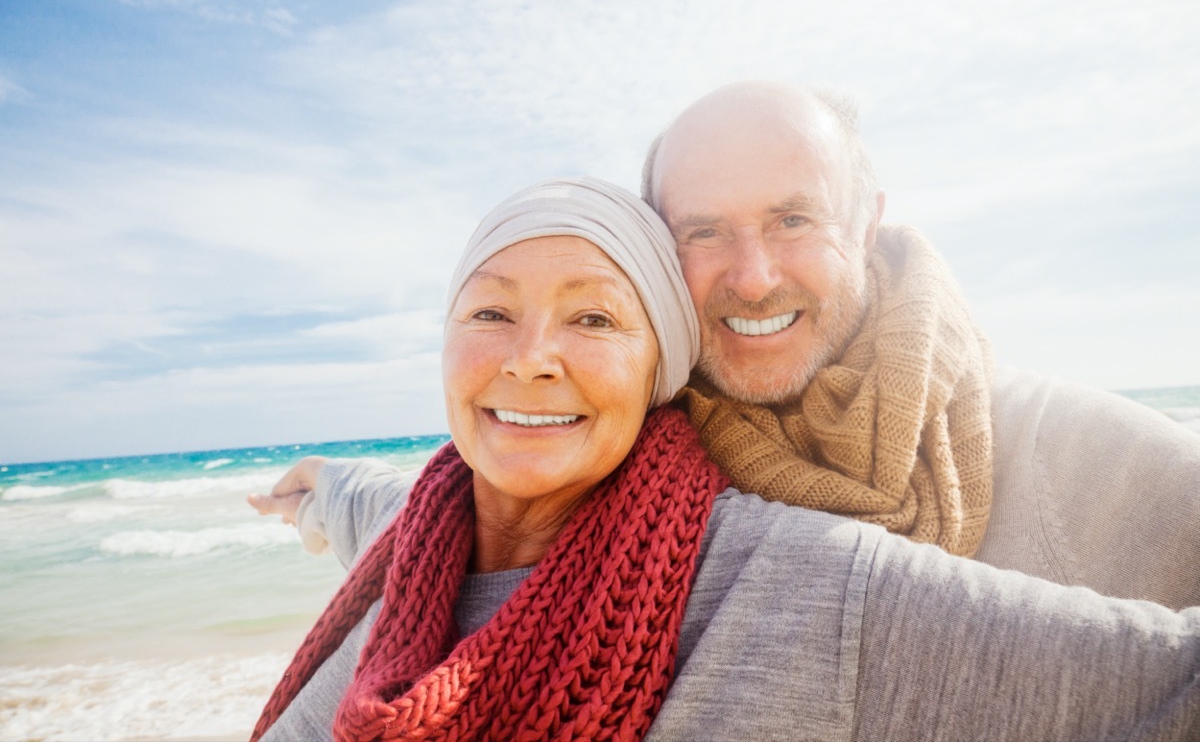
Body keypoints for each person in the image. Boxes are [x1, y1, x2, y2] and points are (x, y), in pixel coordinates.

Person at [250, 176, 1200, 742]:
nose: (529, 354)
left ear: (658, 366)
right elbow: (365, 499)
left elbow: (1161, 683)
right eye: (490, 311)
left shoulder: (798, 586)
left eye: (593, 318)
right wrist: (316, 486)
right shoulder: (414, 533)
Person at [639, 80, 1200, 609]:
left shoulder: (1115, 470)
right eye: (703, 232)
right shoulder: (610, 472)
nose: (753, 279)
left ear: (864, 229)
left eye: (792, 220)